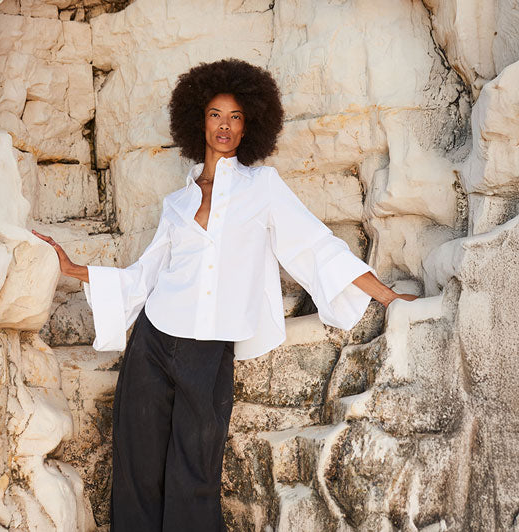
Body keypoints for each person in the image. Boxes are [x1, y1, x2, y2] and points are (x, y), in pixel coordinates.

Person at [33, 58, 416, 532]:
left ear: (249, 125)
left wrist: (387, 296)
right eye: (215, 114)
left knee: (195, 473)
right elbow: (144, 275)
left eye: (235, 116)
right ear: (199, 121)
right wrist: (73, 269)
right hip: (153, 341)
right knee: (137, 468)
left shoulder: (263, 187)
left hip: (209, 349)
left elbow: (315, 245)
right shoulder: (177, 202)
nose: (225, 125)